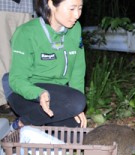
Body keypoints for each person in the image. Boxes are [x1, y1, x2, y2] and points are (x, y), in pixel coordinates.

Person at [4, 0, 87, 129]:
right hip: (24, 92)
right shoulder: (26, 33)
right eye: (72, 9)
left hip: (56, 94)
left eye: (80, 8)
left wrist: (77, 108)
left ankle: (36, 124)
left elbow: (78, 70)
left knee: (73, 129)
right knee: (76, 102)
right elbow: (16, 80)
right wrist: (39, 93)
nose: (77, 15)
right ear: (51, 4)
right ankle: (22, 123)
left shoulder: (75, 29)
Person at [0, 0, 34, 114]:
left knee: (27, 54)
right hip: (2, 5)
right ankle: (3, 100)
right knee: (3, 55)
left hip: (26, 7)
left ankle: (25, 95)